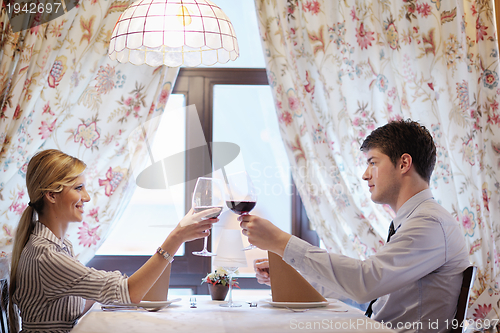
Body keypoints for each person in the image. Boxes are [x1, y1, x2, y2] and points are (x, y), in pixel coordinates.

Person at [240, 120, 470, 333]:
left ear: (404, 163)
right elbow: (369, 293)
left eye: (373, 162)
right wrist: (293, 278)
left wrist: (281, 242)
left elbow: (366, 282)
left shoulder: (429, 223)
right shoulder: (415, 220)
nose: (365, 175)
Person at [9, 149, 219, 333]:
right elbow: (131, 293)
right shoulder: (47, 256)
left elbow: (77, 302)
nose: (87, 197)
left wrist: (112, 286)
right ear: (51, 195)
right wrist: (176, 237)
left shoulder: (58, 246)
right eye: (78, 188)